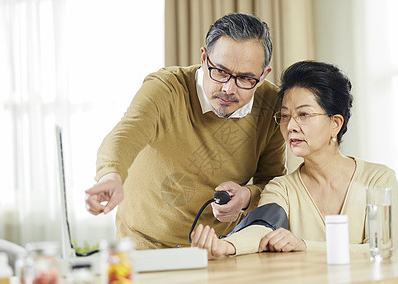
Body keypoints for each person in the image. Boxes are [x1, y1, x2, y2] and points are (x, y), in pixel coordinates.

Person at [84, 13, 287, 249]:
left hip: (217, 248)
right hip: (144, 245)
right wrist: (111, 175)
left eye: (245, 78)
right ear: (204, 58)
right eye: (220, 71)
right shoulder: (166, 89)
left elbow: (272, 181)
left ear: (263, 75)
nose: (228, 88)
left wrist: (246, 196)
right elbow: (126, 133)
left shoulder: (271, 104)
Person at [191, 61, 398, 258]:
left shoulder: (378, 180)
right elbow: (261, 228)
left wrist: (304, 245)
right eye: (285, 116)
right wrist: (225, 246)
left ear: (335, 123)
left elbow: (382, 250)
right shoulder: (281, 188)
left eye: (303, 115)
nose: (291, 126)